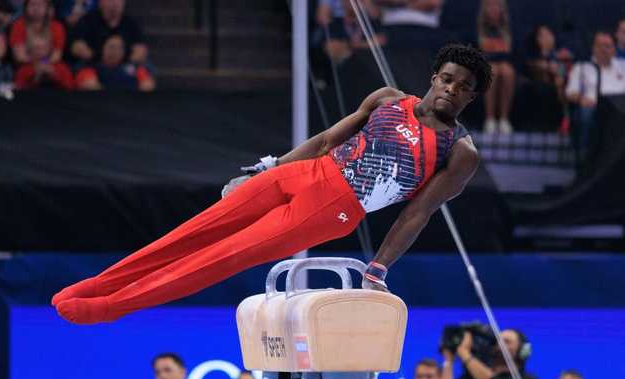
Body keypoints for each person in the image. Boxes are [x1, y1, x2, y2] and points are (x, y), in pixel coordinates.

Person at [52, 43, 491, 325]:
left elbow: (418, 212)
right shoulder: (388, 98)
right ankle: (97, 284)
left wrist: (378, 268)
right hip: (298, 174)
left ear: (471, 97)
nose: (452, 90)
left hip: (333, 208)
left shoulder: (459, 151)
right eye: (448, 79)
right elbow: (325, 140)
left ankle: (109, 307)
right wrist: (266, 168)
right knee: (192, 233)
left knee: (220, 257)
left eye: (463, 87)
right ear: (435, 77)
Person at [565, 31, 625, 155]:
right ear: (593, 48)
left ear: (614, 49)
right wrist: (582, 99)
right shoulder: (581, 67)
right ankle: (586, 157)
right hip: (594, 107)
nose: (604, 50)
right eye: (600, 46)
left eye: (608, 46)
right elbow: (570, 93)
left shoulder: (622, 66)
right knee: (586, 113)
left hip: (620, 109)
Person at [477, 0, 515, 134]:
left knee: (507, 71)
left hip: (504, 65)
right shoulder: (477, 29)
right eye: (490, 6)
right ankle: (490, 119)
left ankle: (504, 119)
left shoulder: (508, 30)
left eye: (497, 6)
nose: (494, 9)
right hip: (482, 67)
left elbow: (512, 55)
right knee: (493, 70)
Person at [70, 0, 147, 65]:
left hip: (124, 66)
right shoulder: (88, 20)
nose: (115, 3)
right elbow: (76, 47)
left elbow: (140, 50)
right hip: (93, 65)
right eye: (110, 0)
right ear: (100, 2)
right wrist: (99, 59)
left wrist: (124, 64)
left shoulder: (131, 23)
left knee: (145, 72)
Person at [75, 34, 154, 91]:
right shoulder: (89, 68)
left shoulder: (135, 69)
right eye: (111, 47)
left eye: (119, 48)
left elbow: (148, 86)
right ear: (102, 48)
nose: (115, 51)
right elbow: (90, 86)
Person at [8, 0, 67, 65]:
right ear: (26, 7)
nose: (36, 8)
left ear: (47, 7)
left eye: (40, 5)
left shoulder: (57, 27)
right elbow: (20, 56)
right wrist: (37, 64)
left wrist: (43, 63)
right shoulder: (19, 25)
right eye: (33, 4)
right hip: (26, 65)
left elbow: (56, 56)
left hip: (51, 64)